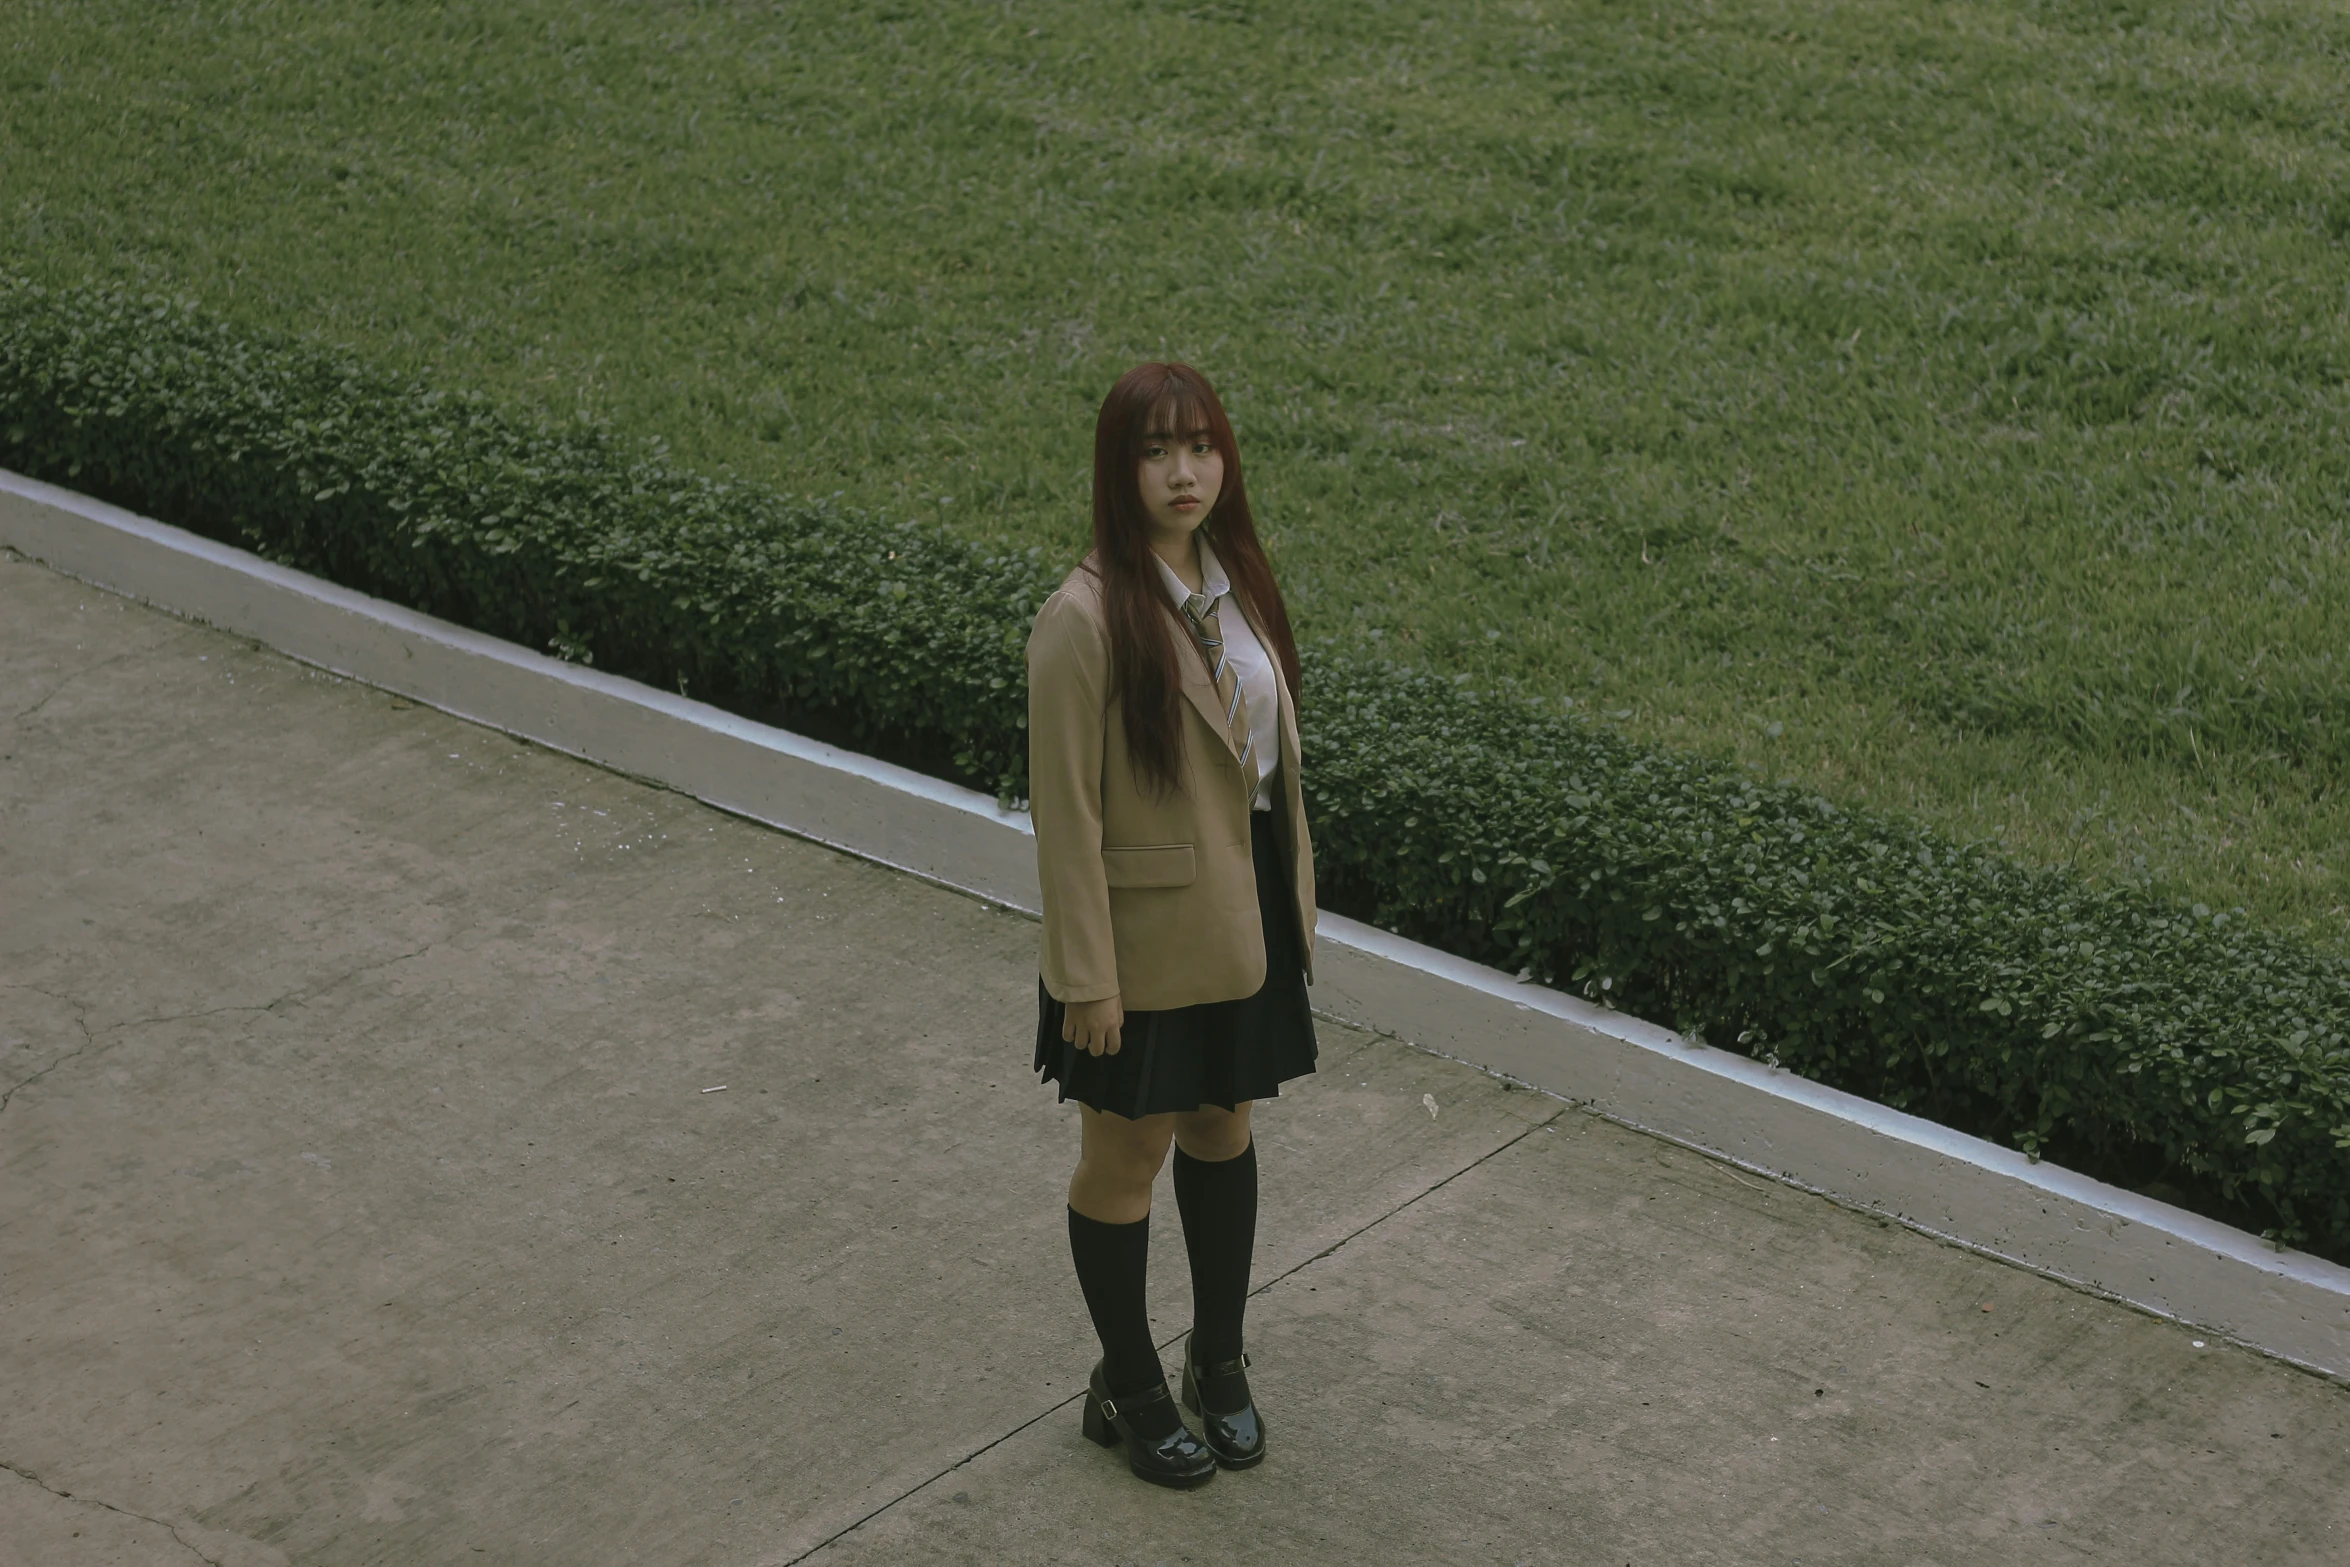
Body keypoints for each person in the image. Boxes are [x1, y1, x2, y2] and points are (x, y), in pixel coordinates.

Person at [1027, 362, 1319, 1488]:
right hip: (1138, 939)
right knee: (1127, 1149)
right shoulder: (1083, 618)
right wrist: (1084, 978)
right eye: (1155, 451)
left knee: (1223, 1121)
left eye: (1199, 445)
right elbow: (1067, 815)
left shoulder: (1235, 576)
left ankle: (1221, 1362)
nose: (1183, 470)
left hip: (1241, 912)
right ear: (1120, 469)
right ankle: (1130, 1382)